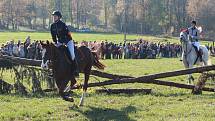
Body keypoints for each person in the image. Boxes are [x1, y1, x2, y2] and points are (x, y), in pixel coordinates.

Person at [50, 11, 79, 76]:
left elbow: (68, 35)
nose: (54, 17)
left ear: (59, 17)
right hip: (59, 42)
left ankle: (75, 69)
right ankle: (53, 70)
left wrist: (64, 42)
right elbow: (53, 36)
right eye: (53, 16)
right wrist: (55, 43)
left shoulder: (63, 24)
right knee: (54, 54)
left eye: (55, 16)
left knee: (72, 54)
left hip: (68, 41)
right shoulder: (52, 26)